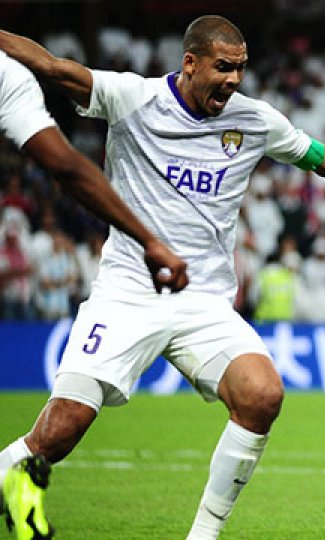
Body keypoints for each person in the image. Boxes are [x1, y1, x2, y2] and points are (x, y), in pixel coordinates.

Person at [0, 15, 325, 540]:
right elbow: (53, 67)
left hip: (204, 301)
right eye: (223, 67)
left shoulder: (254, 120)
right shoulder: (132, 97)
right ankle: (12, 466)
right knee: (63, 430)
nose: (234, 80)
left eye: (241, 68)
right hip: (127, 291)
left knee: (262, 395)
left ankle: (204, 534)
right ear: (189, 62)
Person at [0, 48, 187, 539]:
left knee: (73, 415)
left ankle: (11, 476)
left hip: (153, 288)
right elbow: (67, 166)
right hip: (129, 285)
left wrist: (147, 240)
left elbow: (67, 166)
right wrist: (150, 240)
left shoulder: (8, 78)